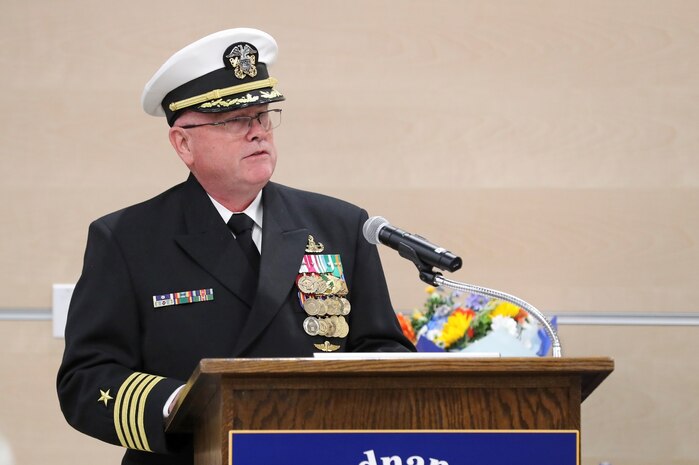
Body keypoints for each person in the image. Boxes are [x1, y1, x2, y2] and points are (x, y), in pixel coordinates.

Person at [56, 28, 414, 465]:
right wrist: (181, 406)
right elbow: (87, 378)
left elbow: (384, 354)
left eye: (263, 116)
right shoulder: (127, 240)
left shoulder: (342, 225)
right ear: (183, 142)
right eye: (233, 120)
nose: (257, 133)